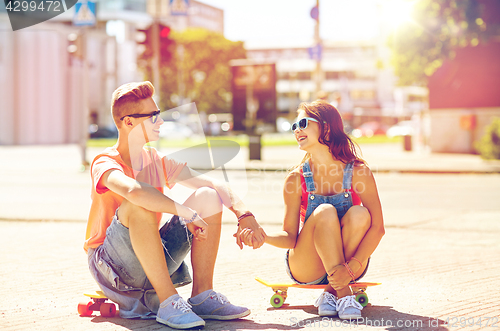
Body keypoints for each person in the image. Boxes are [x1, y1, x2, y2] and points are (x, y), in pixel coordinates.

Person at [84, 81, 266, 329]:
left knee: (208, 197)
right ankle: (169, 302)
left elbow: (215, 184)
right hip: (112, 266)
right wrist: (185, 212)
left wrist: (245, 214)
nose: (161, 122)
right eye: (154, 116)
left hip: (150, 257)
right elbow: (133, 191)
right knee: (139, 202)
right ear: (129, 123)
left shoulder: (154, 160)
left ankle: (202, 296)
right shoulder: (104, 162)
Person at [252, 101, 385, 319]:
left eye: (303, 123)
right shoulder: (295, 179)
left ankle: (329, 294)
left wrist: (351, 268)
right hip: (307, 267)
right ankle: (342, 294)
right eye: (294, 125)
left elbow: (378, 228)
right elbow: (289, 237)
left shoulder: (360, 173)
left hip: (351, 266)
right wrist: (263, 236)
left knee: (360, 214)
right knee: (324, 211)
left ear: (326, 127)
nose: (297, 130)